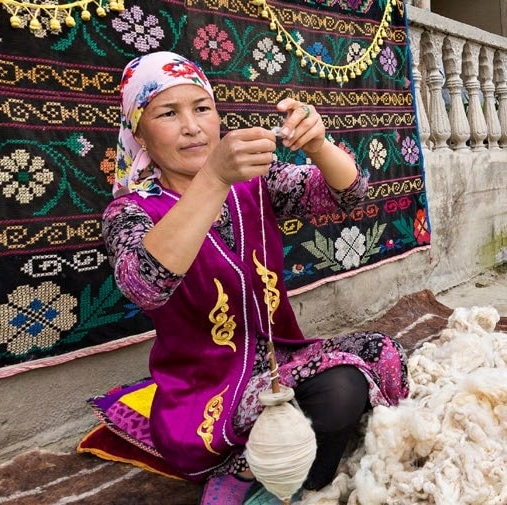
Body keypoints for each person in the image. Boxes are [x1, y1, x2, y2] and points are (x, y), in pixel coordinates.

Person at [89, 51, 410, 504]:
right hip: (203, 392)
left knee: (380, 352)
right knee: (339, 393)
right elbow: (146, 285)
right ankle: (251, 470)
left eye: (202, 108)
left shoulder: (255, 183)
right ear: (139, 132)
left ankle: (280, 462)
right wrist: (213, 177)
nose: (192, 126)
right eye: (168, 113)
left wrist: (319, 145)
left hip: (282, 361)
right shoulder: (129, 212)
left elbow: (348, 194)